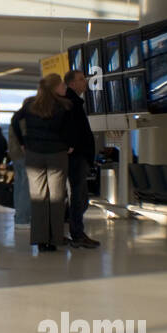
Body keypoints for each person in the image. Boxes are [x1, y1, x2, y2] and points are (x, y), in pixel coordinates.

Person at [11, 74, 73, 252]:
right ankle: (54, 239)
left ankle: (40, 240)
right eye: (62, 84)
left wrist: (23, 142)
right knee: (56, 197)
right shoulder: (64, 106)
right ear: (55, 87)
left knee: (38, 197)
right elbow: (69, 130)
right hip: (57, 154)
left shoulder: (30, 105)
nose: (64, 87)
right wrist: (68, 145)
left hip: (34, 154)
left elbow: (15, 120)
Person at [63, 69, 100, 248]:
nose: (85, 82)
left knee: (80, 197)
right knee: (79, 196)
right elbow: (71, 128)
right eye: (80, 79)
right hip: (76, 157)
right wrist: (71, 145)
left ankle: (75, 230)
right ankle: (77, 233)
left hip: (78, 156)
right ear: (71, 83)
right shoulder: (70, 102)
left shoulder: (75, 101)